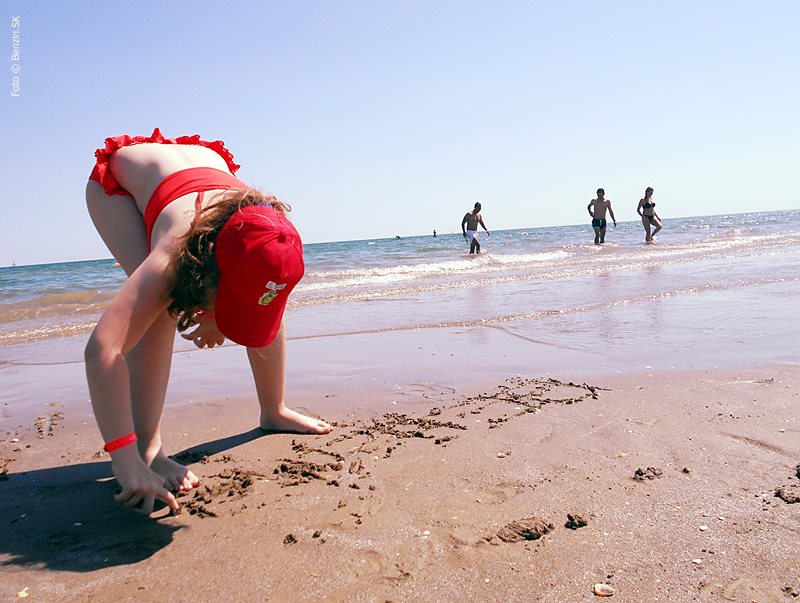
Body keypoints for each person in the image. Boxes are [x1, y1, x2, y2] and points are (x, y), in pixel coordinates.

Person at [85, 128, 333, 515]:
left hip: (199, 167)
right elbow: (103, 350)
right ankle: (147, 450)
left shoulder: (271, 233)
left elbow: (261, 296)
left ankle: (274, 409)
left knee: (262, 295)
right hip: (120, 184)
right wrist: (122, 456)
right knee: (161, 311)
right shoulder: (171, 257)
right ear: (206, 273)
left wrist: (223, 313)